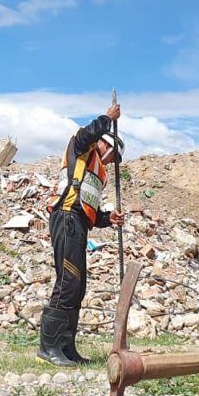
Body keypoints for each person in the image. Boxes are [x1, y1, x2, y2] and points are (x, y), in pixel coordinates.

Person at [39, 106, 126, 366]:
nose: (111, 163)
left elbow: (90, 209)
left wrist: (107, 218)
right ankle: (49, 348)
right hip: (65, 217)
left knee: (77, 286)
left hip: (78, 222)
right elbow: (88, 132)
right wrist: (108, 119)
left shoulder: (97, 173)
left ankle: (67, 348)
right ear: (105, 145)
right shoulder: (81, 148)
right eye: (112, 157)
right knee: (67, 281)